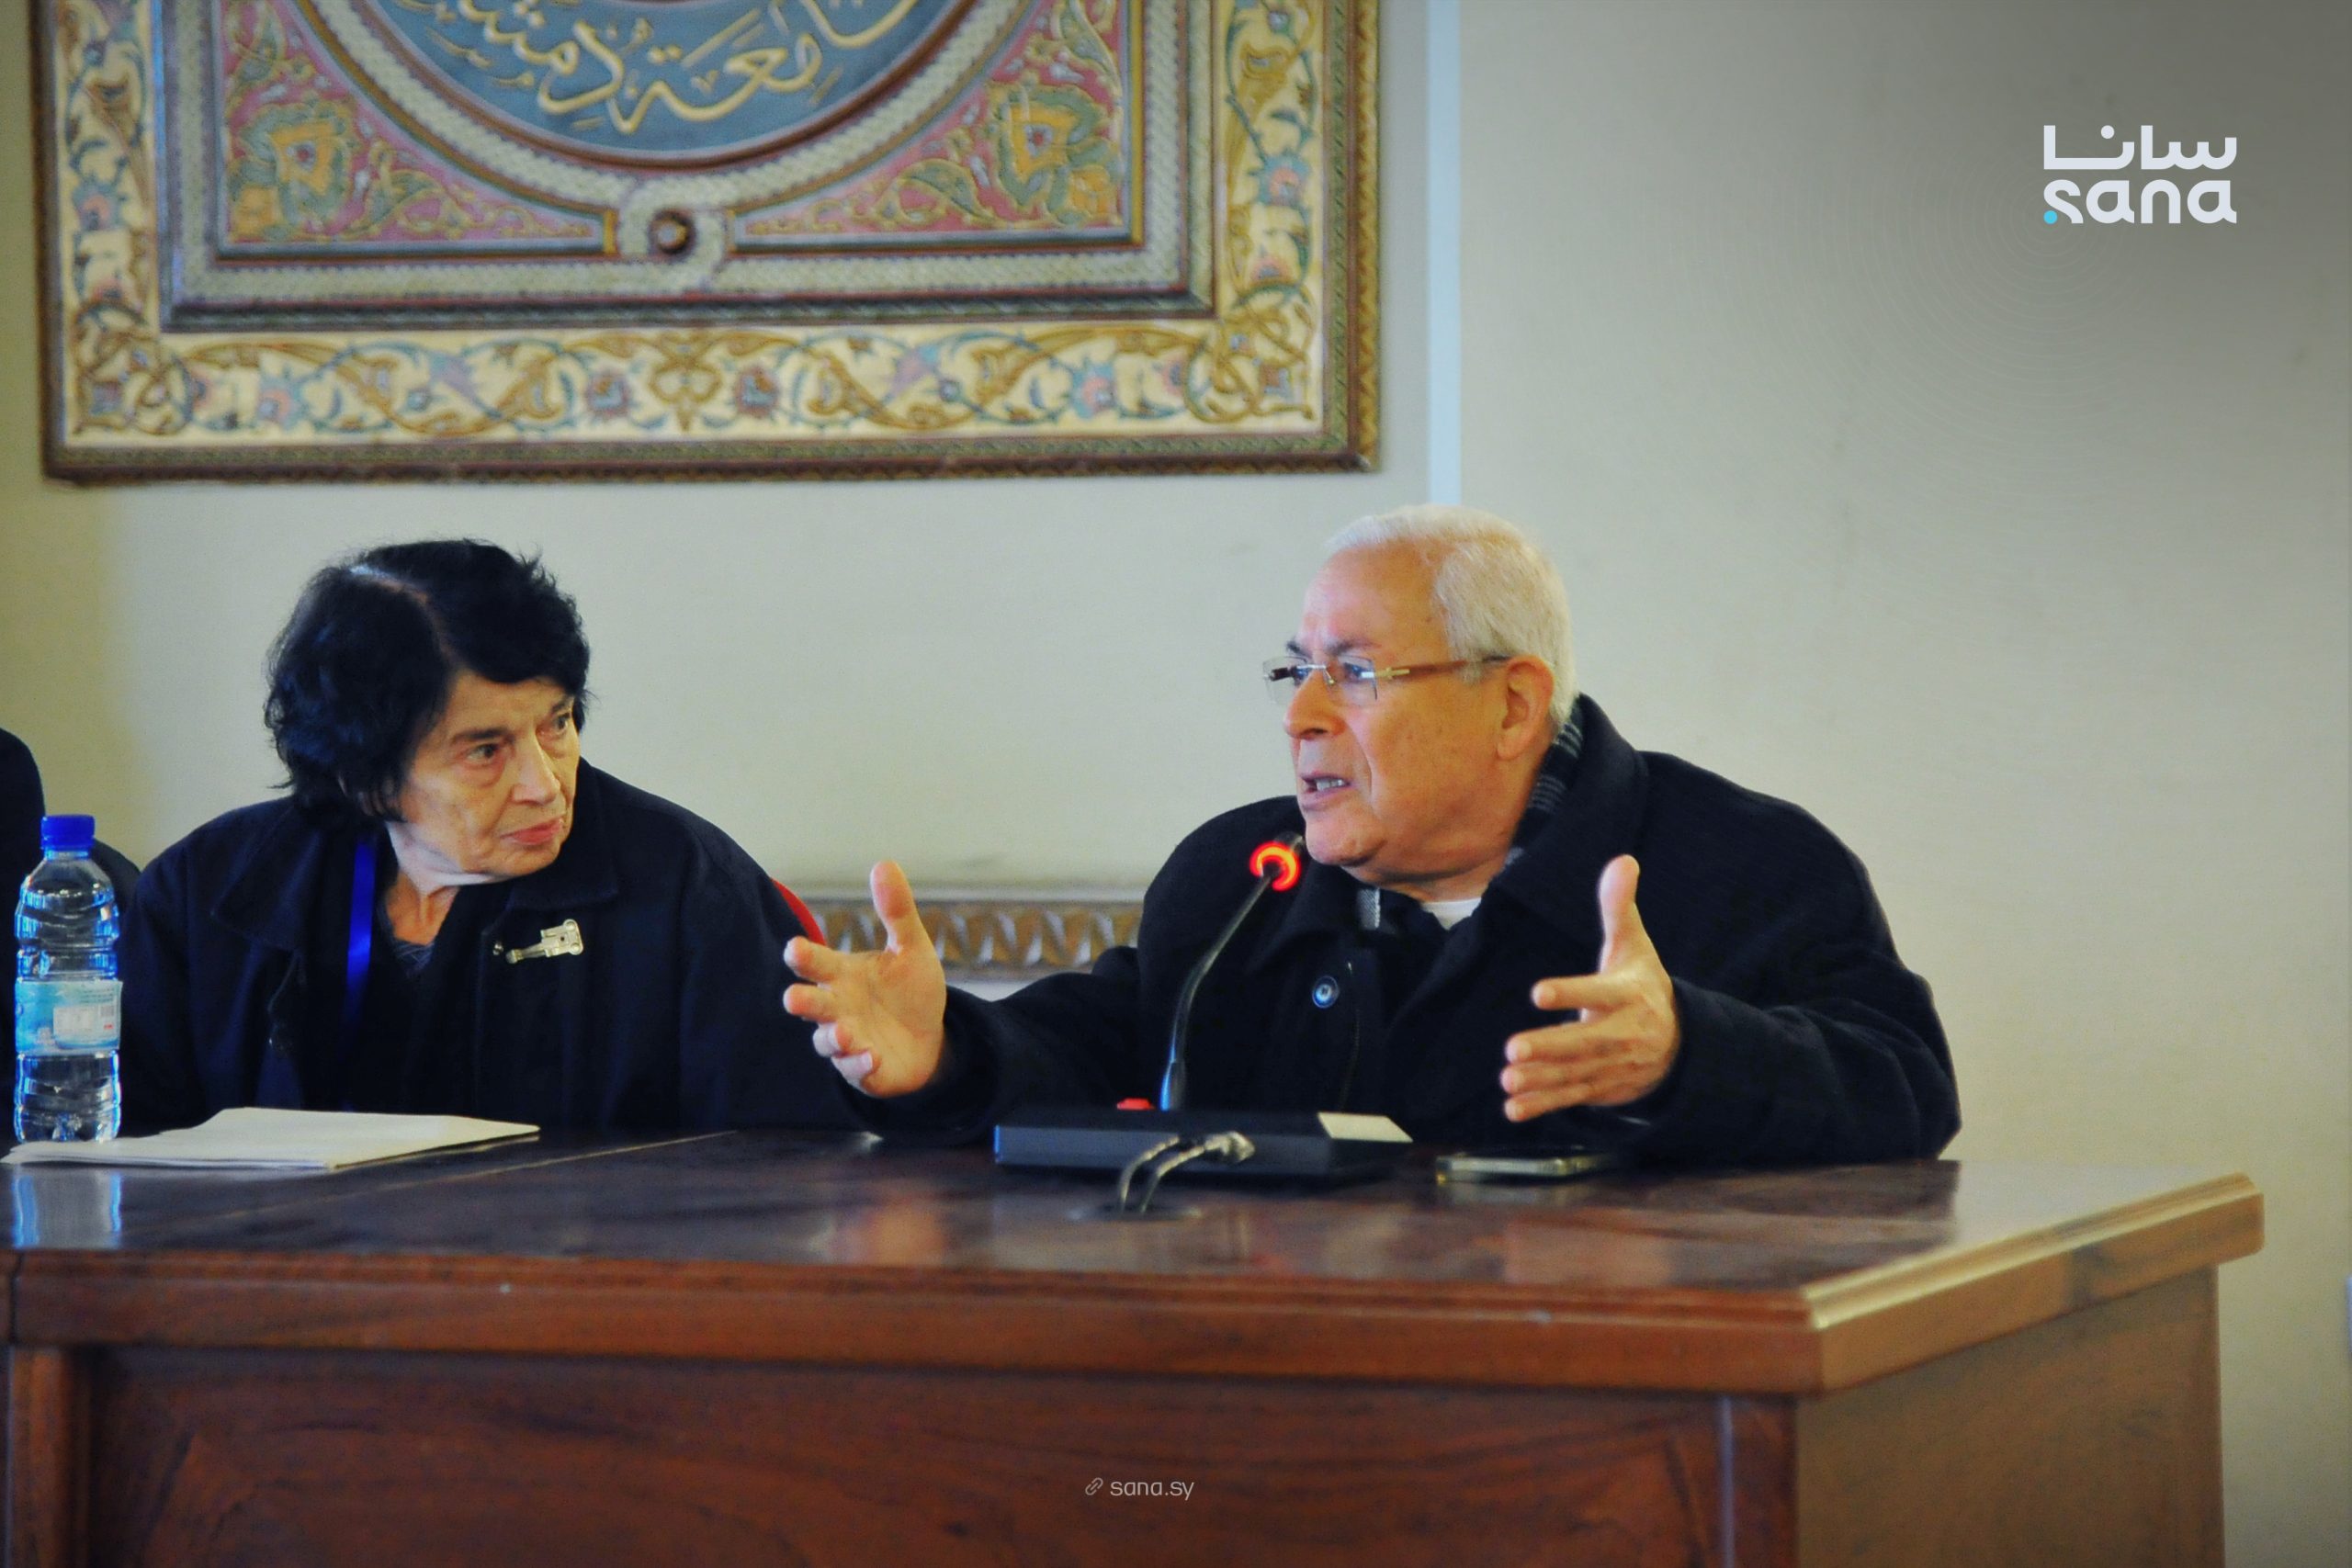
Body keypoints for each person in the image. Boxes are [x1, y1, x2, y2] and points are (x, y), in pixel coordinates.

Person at [785, 506, 1958, 1165]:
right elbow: (1113, 1046)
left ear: (1512, 705)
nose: (1300, 715)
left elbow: (1907, 1089)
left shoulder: (1744, 866)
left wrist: (1685, 1052)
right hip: (1276, 1381)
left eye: (1353, 673)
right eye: (1294, 671)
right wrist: (949, 1053)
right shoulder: (1241, 877)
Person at [120, 541, 847, 1134]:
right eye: (485, 750)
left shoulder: (686, 884)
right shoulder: (206, 895)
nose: (545, 783)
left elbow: (788, 1159)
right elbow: (124, 1156)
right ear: (366, 778)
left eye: (556, 723)